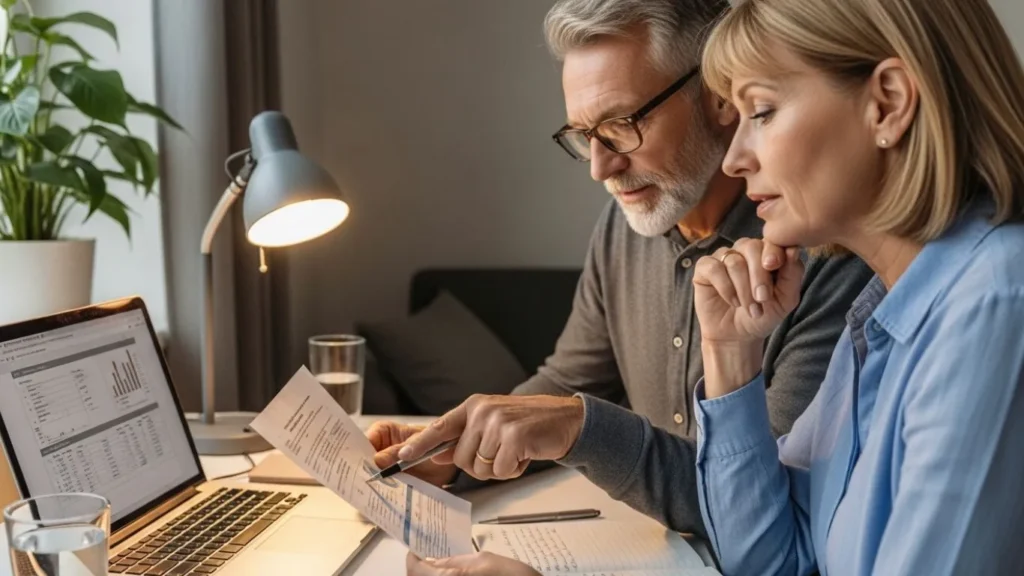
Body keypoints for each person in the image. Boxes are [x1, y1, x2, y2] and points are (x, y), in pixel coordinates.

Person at [406, 0, 1024, 573]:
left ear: (887, 103)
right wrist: (729, 357)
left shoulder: (992, 306)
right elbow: (772, 560)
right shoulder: (880, 315)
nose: (736, 156)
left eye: (761, 111)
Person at [371, 0, 872, 541]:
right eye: (584, 134)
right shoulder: (624, 225)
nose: (600, 166)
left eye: (622, 125)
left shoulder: (822, 248)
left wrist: (581, 428)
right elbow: (568, 383)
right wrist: (451, 452)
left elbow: (762, 501)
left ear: (719, 95)